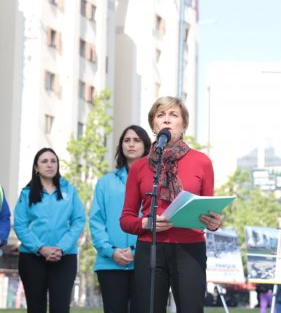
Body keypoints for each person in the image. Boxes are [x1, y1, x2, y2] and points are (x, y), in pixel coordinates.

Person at [120, 96, 223, 313]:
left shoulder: (202, 162)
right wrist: (147, 223)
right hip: (150, 248)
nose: (167, 119)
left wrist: (214, 222)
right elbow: (126, 219)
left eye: (173, 115)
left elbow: (208, 209)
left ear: (183, 124)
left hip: (190, 249)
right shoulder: (139, 167)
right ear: (153, 125)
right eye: (161, 115)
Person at [14, 147, 86, 313]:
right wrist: (40, 248)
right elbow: (20, 225)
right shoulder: (26, 194)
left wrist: (61, 247)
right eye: (44, 161)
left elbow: (79, 220)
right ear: (36, 167)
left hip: (64, 257)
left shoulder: (70, 190)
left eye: (53, 161)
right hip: (32, 258)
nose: (49, 165)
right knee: (35, 307)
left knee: (60, 307)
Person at [90, 125, 151, 313]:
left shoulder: (155, 181)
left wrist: (136, 251)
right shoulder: (105, 182)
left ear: (146, 146)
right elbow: (96, 221)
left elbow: (158, 219)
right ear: (121, 146)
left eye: (136, 140)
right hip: (110, 264)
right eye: (126, 140)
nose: (131, 144)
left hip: (146, 262)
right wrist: (111, 251)